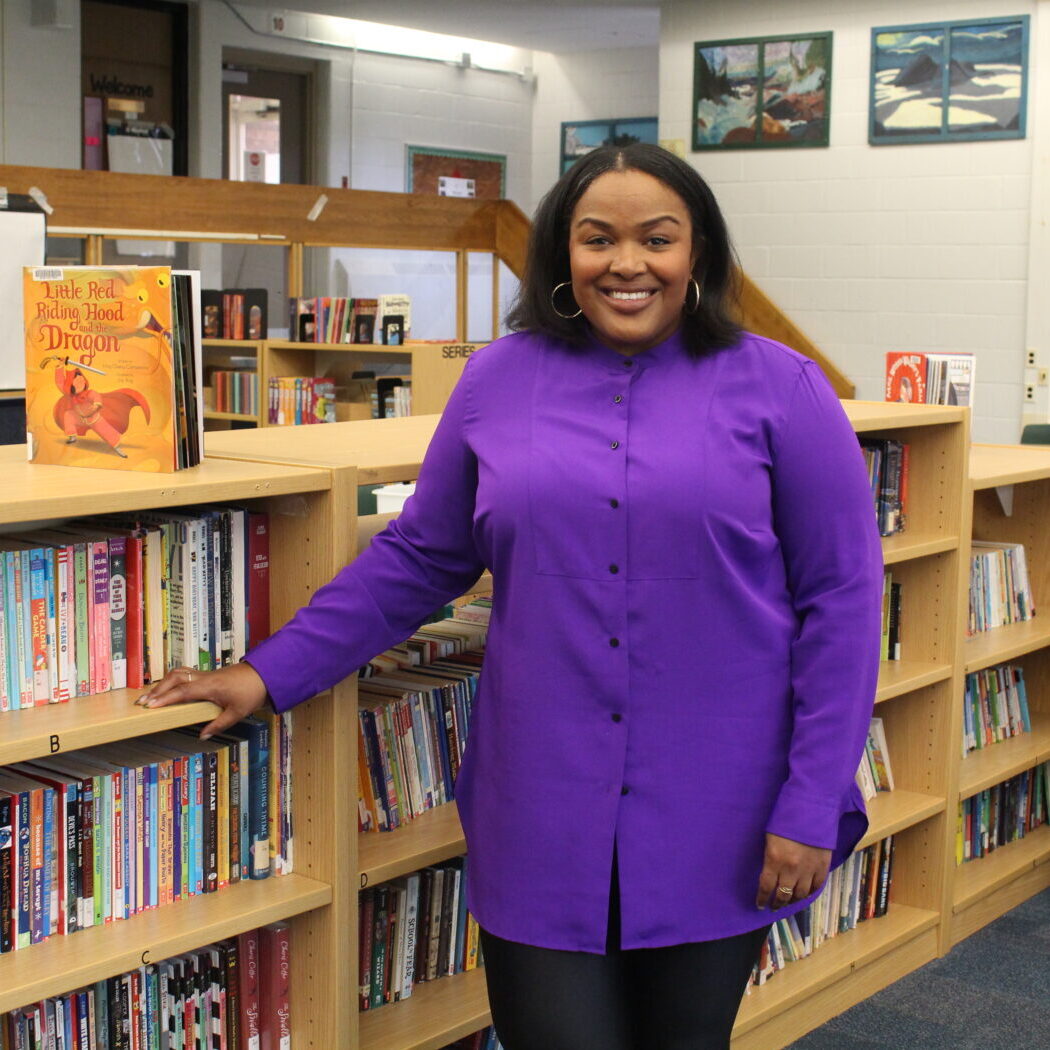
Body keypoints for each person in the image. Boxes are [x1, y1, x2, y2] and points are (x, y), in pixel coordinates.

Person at [142, 144, 884, 1050]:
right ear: (562, 255)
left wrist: (809, 805)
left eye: (658, 239)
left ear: (699, 254)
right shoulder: (497, 380)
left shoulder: (784, 387)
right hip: (540, 804)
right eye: (596, 238)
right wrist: (267, 674)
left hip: (720, 805)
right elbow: (420, 555)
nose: (627, 263)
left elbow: (843, 603)